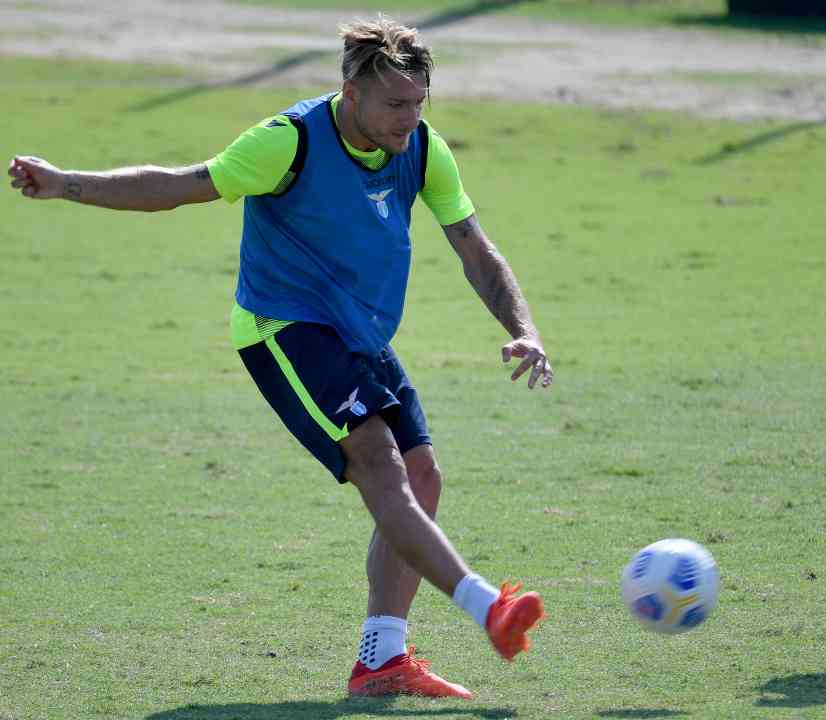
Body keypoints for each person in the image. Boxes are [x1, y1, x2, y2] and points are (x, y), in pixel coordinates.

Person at [8, 17, 550, 698]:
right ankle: (487, 607)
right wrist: (65, 183)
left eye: (418, 104)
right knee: (380, 461)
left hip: (360, 332)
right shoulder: (286, 143)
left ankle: (382, 660)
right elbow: (176, 185)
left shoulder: (423, 149)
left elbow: (476, 249)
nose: (410, 119)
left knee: (423, 474)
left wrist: (524, 328)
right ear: (350, 93)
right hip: (282, 326)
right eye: (395, 105)